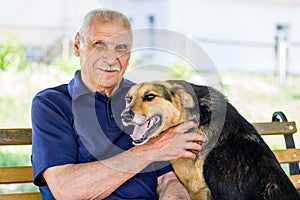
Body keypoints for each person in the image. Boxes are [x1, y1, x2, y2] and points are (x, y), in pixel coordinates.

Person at [31, 8, 205, 199]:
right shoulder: (52, 104)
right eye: (99, 44)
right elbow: (67, 190)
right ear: (77, 45)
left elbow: (166, 181)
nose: (111, 58)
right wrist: (151, 150)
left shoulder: (147, 100)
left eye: (121, 48)